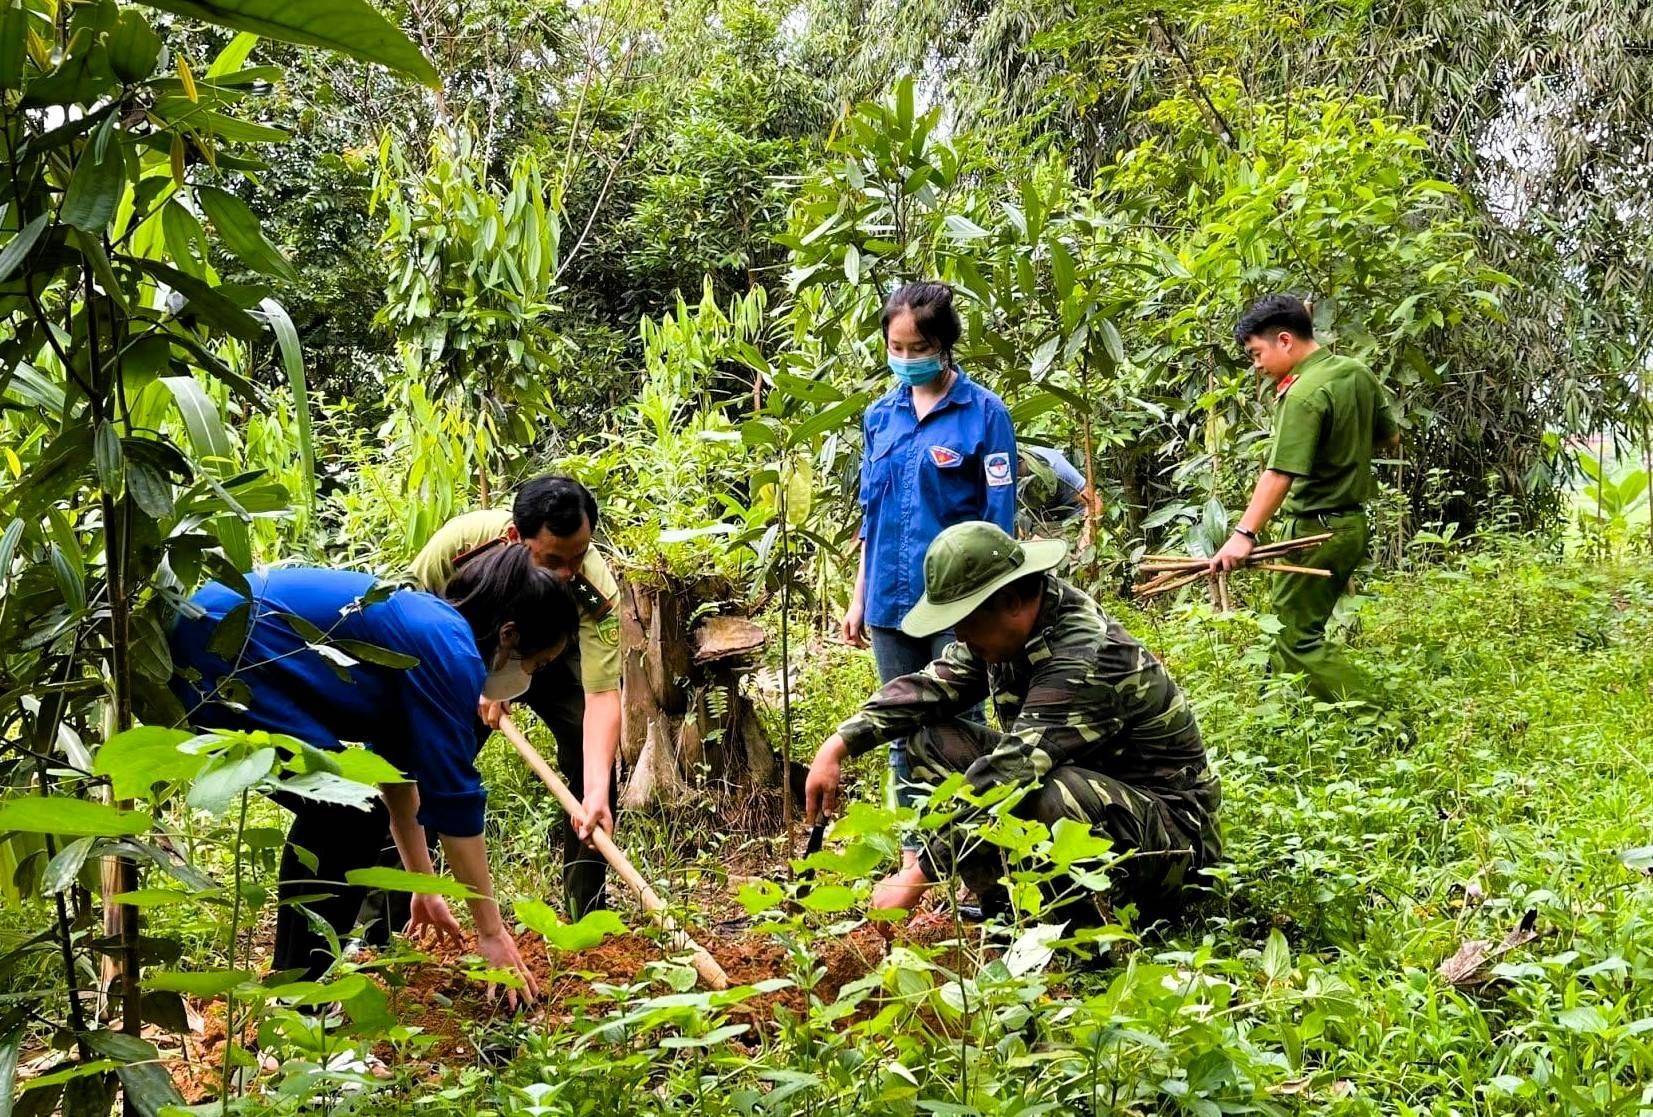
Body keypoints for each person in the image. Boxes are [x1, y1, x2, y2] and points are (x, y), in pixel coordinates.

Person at [169, 546, 578, 1002]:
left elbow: (398, 774)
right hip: (220, 649)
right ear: (509, 636)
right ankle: (299, 1003)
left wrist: (423, 884)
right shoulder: (450, 649)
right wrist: (491, 932)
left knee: (341, 813)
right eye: (537, 664)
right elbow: (455, 799)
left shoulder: (433, 631)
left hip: (212, 636)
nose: (531, 678)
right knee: (345, 814)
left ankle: (293, 991)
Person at [807, 521, 1222, 926]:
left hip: (1172, 842)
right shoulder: (1014, 625)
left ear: (1009, 601)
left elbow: (1012, 771)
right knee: (930, 738)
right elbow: (932, 687)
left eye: (966, 621)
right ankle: (1005, 908)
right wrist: (840, 744)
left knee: (1046, 794)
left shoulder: (1084, 656)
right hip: (1100, 800)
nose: (961, 636)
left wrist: (918, 875)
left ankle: (1082, 932)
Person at [841, 281, 1017, 831]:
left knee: (961, 722)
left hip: (955, 605)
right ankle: (917, 853)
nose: (907, 359)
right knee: (898, 723)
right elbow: (873, 512)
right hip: (889, 603)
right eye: (897, 348)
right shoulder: (880, 417)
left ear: (945, 345)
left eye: (919, 349)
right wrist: (858, 594)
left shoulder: (985, 415)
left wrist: (989, 605)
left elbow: (998, 517)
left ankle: (968, 853)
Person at [409, 476, 621, 917]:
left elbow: (602, 696)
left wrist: (597, 788)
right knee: (430, 758)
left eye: (577, 556)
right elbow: (416, 624)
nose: (567, 572)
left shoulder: (593, 588)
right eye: (552, 559)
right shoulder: (457, 548)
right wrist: (477, 683)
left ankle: (586, 913)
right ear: (514, 538)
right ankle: (392, 912)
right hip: (463, 653)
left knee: (592, 759)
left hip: (554, 654)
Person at [1208, 294, 1401, 703]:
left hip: (1316, 529)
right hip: (1351, 525)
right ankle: (1292, 717)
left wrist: (1244, 533)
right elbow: (1391, 436)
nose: (1255, 365)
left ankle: (1382, 713)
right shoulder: (1355, 372)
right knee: (1287, 629)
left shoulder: (1301, 394)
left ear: (1284, 340)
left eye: (1256, 354)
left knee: (1296, 639)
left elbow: (1279, 473)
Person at [1018, 444, 1103, 548]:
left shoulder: (1056, 467)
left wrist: (1086, 541)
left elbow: (1095, 503)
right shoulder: (1000, 477)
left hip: (1071, 514)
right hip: (1038, 517)